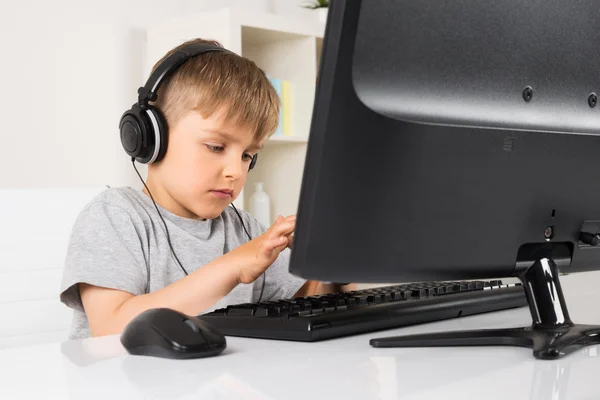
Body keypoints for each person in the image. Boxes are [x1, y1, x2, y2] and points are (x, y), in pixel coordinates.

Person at [59, 38, 352, 339]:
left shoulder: (243, 229)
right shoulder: (116, 216)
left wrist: (329, 266)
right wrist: (233, 267)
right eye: (215, 146)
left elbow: (304, 306)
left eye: (247, 155)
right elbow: (111, 328)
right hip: (124, 385)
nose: (235, 171)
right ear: (152, 136)